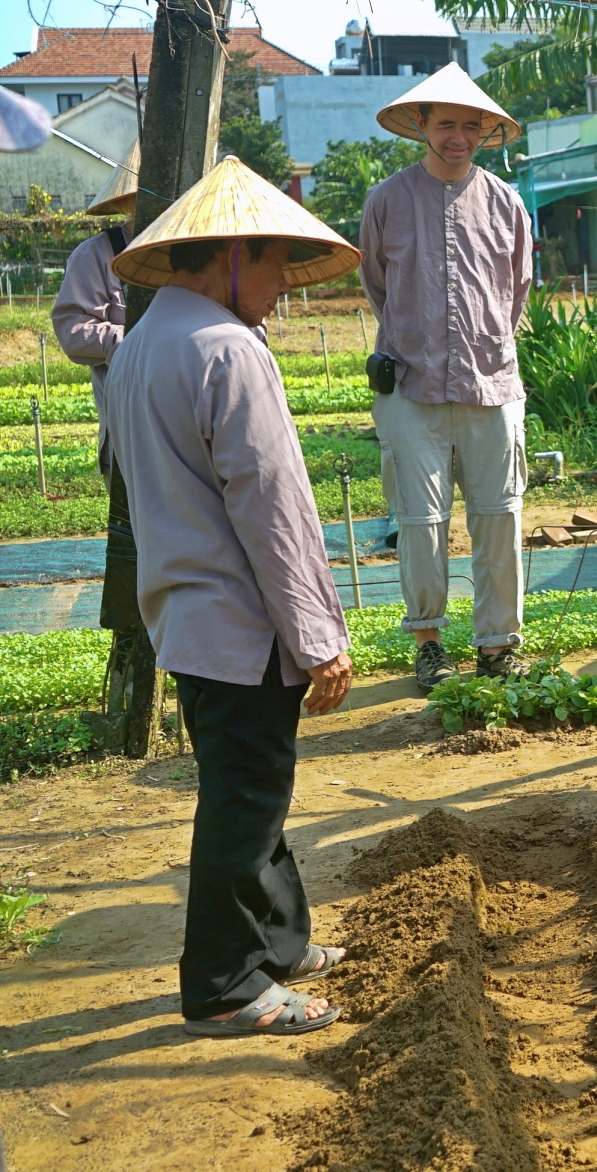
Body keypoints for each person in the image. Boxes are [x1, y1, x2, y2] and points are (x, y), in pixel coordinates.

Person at [103, 156, 357, 1036]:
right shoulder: (226, 349)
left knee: (253, 790)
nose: (285, 285)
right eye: (277, 262)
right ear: (231, 254)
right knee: (245, 807)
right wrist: (319, 634)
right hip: (241, 621)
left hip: (185, 612)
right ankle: (225, 985)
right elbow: (271, 505)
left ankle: (279, 943)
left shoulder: (143, 344)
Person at [361, 64, 535, 690]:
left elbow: (515, 292)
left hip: (492, 382)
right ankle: (429, 643)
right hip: (410, 385)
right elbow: (379, 288)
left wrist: (481, 345)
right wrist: (420, 341)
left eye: (470, 125)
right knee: (420, 521)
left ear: (486, 132)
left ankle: (497, 645)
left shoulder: (507, 203)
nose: (458, 136)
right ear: (421, 127)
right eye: (446, 124)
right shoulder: (386, 200)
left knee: (500, 515)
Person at [53, 143, 138, 472]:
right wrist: (135, 340)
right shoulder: (98, 254)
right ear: (128, 199)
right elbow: (74, 333)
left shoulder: (195, 251)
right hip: (128, 432)